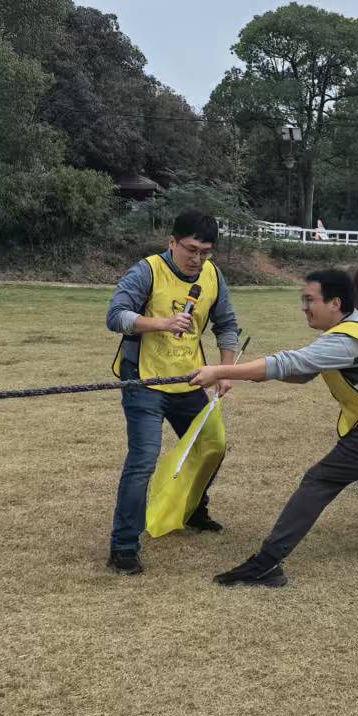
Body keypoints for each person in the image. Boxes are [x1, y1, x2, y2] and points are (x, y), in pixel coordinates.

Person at [193, 270, 358, 588]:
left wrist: (220, 371)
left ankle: (266, 564)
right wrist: (252, 375)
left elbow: (289, 363)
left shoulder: (346, 340)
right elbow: (302, 372)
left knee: (319, 480)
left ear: (335, 303)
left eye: (310, 300)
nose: (304, 307)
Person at [104, 209, 241, 575]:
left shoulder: (213, 276)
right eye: (191, 249)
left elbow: (227, 324)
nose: (197, 259)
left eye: (205, 252)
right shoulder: (148, 271)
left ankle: (194, 509)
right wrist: (162, 323)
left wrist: (226, 369)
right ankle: (124, 546)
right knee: (143, 460)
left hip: (189, 379)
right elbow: (115, 316)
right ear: (172, 242)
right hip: (144, 381)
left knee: (213, 445)